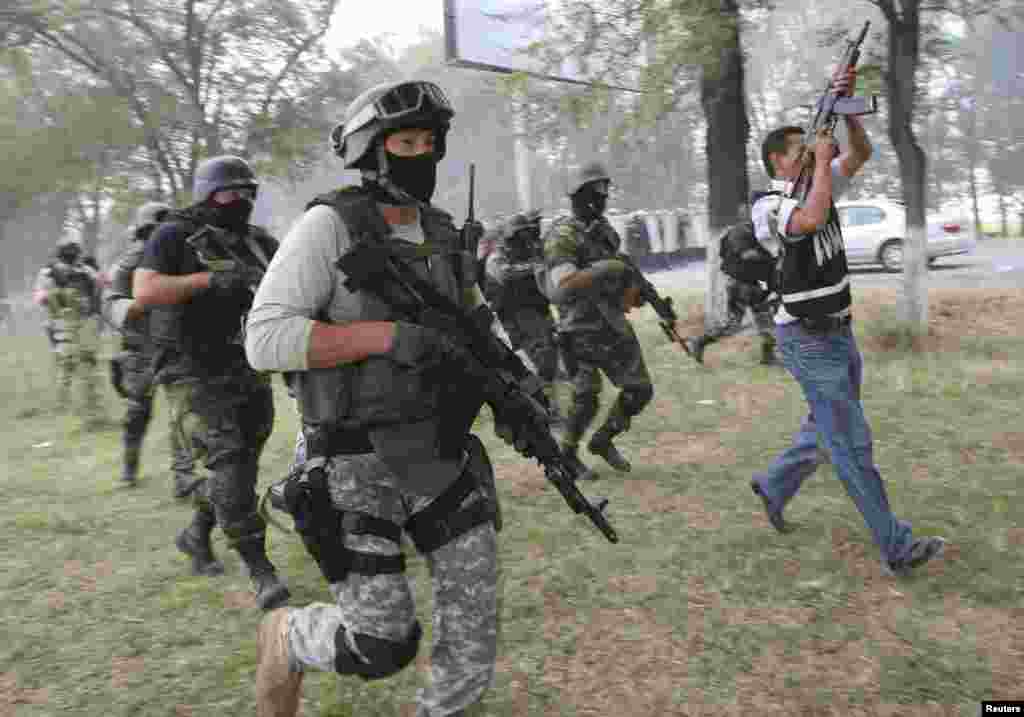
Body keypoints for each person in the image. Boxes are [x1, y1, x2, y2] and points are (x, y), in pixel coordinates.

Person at [245, 80, 509, 717]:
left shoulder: (443, 233)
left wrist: (514, 386)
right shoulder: (329, 227)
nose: (421, 155)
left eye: (429, 143)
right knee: (382, 642)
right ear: (371, 150)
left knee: (474, 622)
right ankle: (288, 635)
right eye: (404, 143)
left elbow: (481, 326)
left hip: (438, 454)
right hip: (354, 463)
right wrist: (384, 337)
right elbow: (264, 338)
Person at [749, 66, 946, 577]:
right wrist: (820, 159)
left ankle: (773, 485)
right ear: (778, 161)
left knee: (827, 427)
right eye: (800, 149)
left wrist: (846, 111)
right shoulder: (769, 206)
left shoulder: (816, 180)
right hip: (806, 339)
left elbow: (859, 154)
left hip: (838, 331)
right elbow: (810, 218)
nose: (811, 152)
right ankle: (897, 547)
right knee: (851, 446)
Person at [133, 155, 289, 607]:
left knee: (239, 464)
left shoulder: (258, 242)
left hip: (244, 363)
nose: (239, 200)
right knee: (231, 465)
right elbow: (145, 290)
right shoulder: (173, 235)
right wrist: (208, 280)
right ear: (206, 195)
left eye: (246, 192)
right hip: (191, 368)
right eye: (228, 192)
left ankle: (196, 535)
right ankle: (261, 572)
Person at [539, 162, 654, 479]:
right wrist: (605, 269)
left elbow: (616, 280)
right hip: (579, 330)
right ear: (582, 194)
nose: (604, 196)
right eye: (598, 190)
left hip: (611, 325)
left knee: (639, 390)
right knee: (586, 398)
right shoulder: (562, 235)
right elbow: (562, 287)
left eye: (605, 189)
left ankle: (603, 440)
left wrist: (632, 292)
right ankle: (567, 455)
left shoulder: (604, 231)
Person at [103, 201, 199, 492]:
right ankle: (129, 471)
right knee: (137, 414)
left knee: (183, 413)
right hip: (139, 350)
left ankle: (183, 476)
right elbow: (112, 306)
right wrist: (138, 304)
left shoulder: (183, 258)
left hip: (174, 347)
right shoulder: (128, 264)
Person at [483, 210, 564, 424]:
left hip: (537, 315)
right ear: (511, 236)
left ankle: (549, 409)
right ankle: (537, 411)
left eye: (527, 234)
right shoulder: (497, 257)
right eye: (520, 235)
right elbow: (505, 275)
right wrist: (535, 268)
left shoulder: (532, 252)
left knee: (547, 364)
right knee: (525, 369)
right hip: (510, 320)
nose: (526, 239)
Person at [684, 220, 780, 366]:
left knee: (767, 322)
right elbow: (747, 254)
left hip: (755, 285)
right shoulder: (742, 230)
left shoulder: (763, 235)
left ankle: (768, 356)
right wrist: (772, 257)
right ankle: (700, 341)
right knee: (733, 324)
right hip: (739, 283)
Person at [33, 237, 104, 422]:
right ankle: (64, 402)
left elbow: (98, 286)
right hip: (60, 322)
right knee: (67, 362)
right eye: (71, 252)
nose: (73, 256)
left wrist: (90, 305)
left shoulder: (84, 270)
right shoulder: (49, 272)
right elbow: (40, 297)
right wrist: (60, 296)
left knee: (87, 360)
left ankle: (90, 402)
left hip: (83, 321)